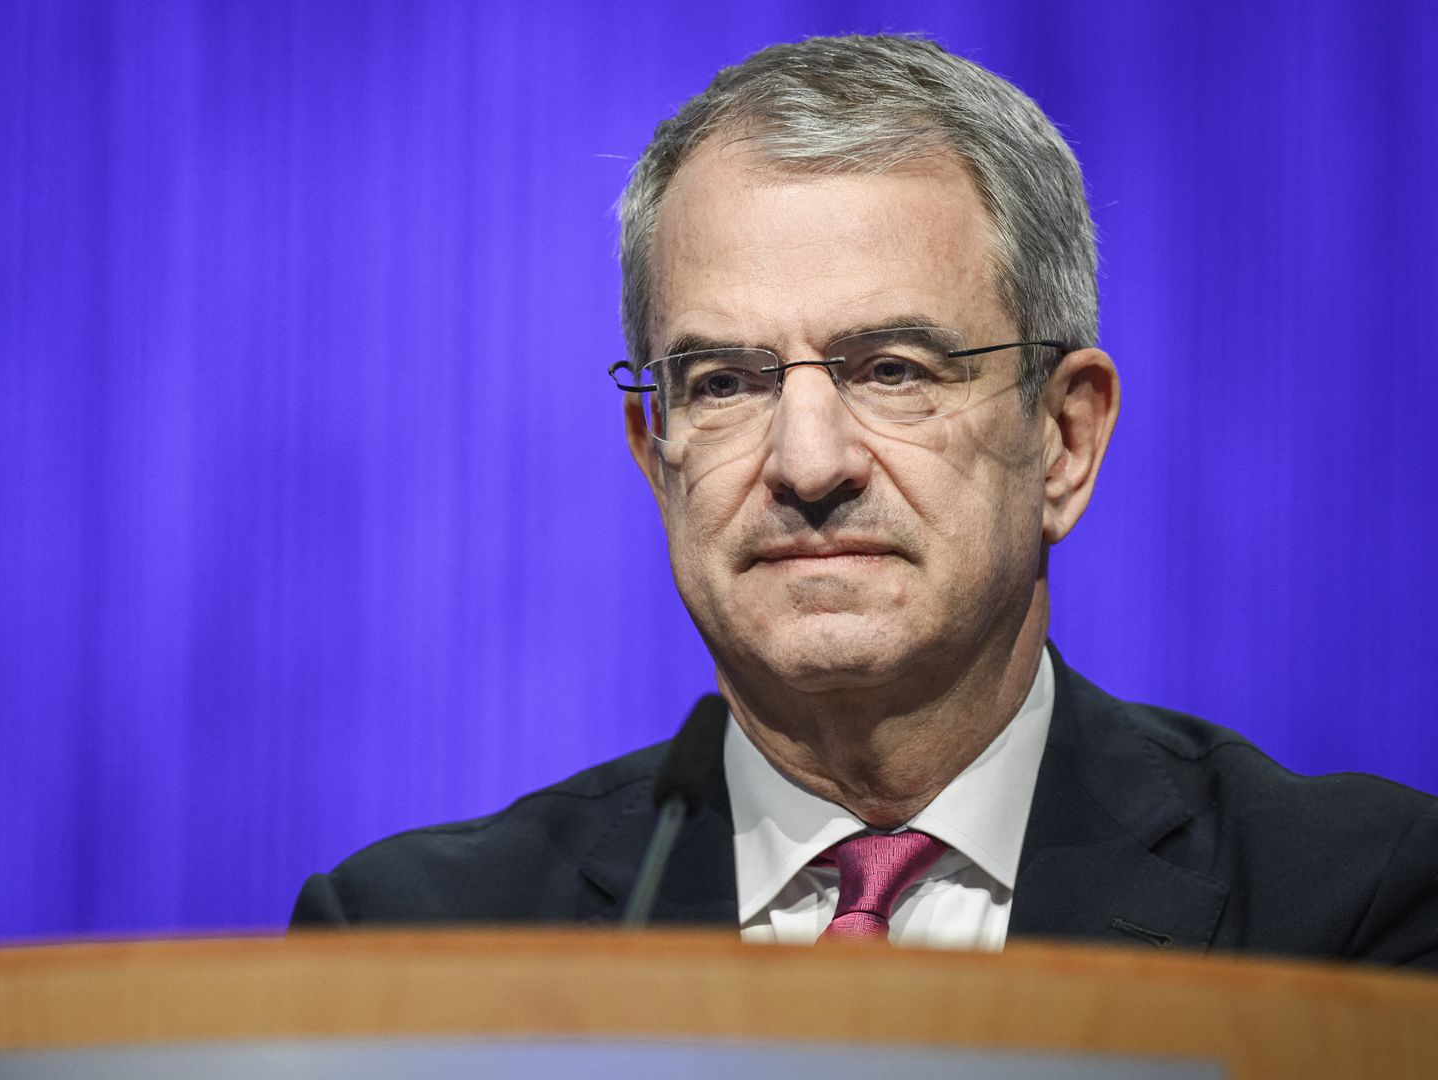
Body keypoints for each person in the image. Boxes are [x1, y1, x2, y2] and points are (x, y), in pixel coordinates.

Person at [290, 34, 1438, 965]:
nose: (807, 463)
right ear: (655, 453)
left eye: (892, 369)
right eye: (724, 382)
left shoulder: (1352, 912)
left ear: (1064, 439)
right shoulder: (412, 947)